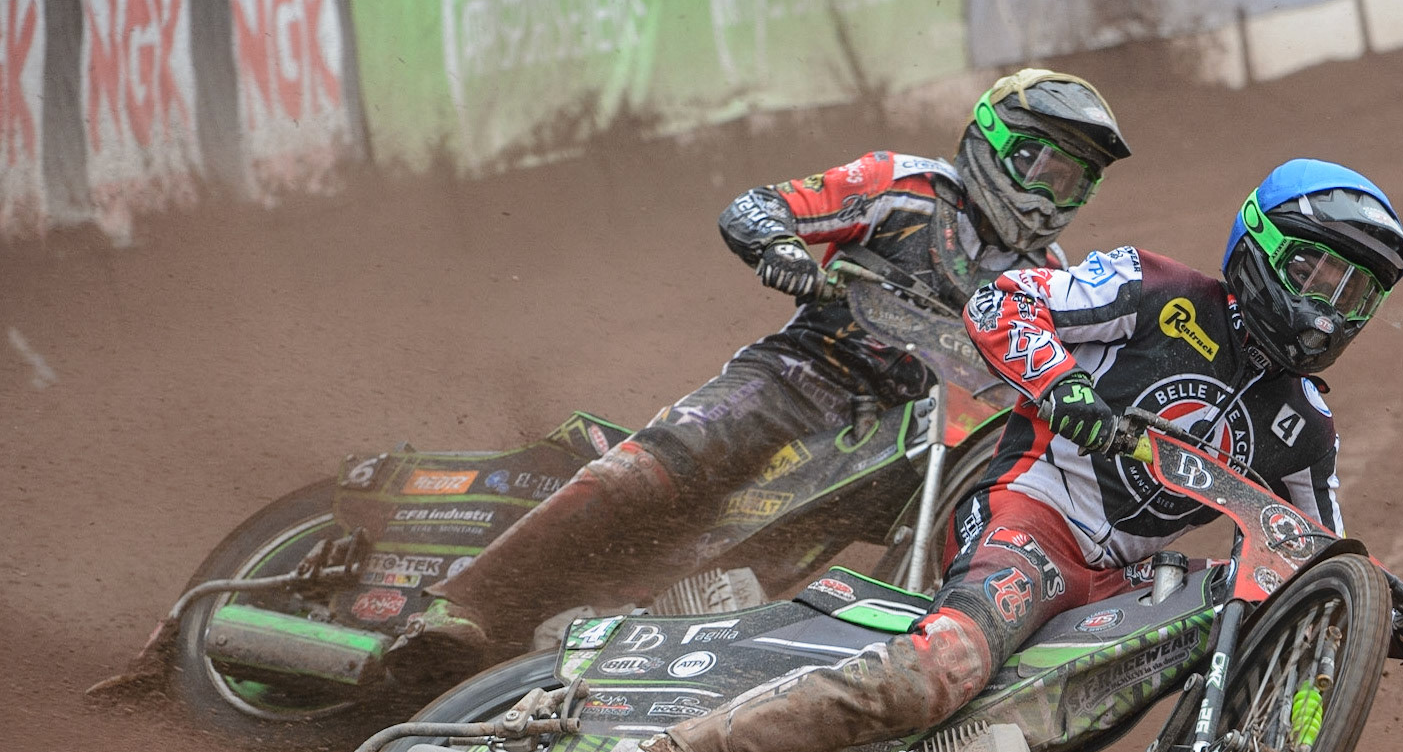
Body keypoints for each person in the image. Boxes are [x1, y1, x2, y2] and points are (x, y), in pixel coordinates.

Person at [594, 158, 1403, 752]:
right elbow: (1003, 300)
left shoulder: (1305, 422)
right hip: (1031, 516)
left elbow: (1316, 545)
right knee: (944, 671)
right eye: (1319, 274)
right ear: (1261, 247)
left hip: (1125, 573)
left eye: (1358, 293)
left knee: (1277, 617)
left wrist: (1393, 604)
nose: (1333, 308)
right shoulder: (1156, 290)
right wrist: (1059, 387)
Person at [388, 68, 1132, 678]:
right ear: (991, 144)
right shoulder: (903, 188)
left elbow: (1052, 368)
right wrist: (779, 245)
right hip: (795, 378)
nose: (1048, 196)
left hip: (899, 437)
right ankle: (459, 603)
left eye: (1072, 183)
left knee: (780, 568)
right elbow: (759, 205)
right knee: (655, 469)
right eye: (1042, 165)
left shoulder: (1049, 278)